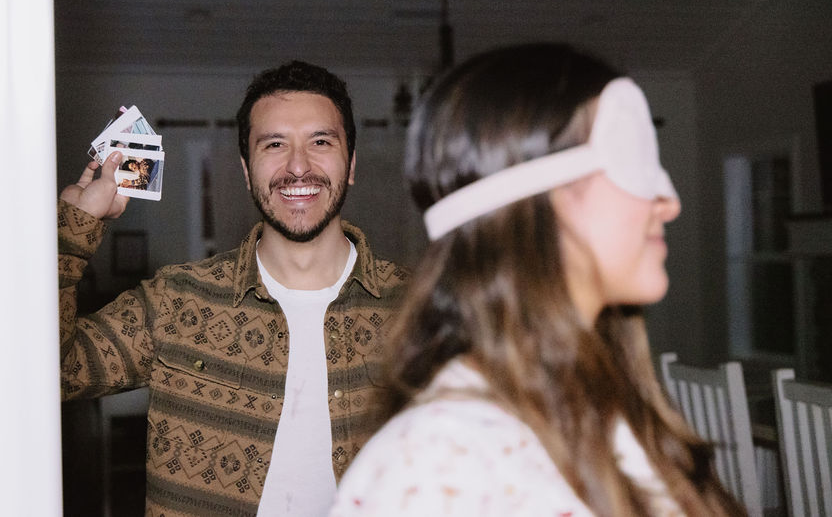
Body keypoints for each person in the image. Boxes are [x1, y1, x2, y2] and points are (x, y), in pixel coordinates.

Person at [329, 44, 744, 516]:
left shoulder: (609, 408)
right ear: (536, 196)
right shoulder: (441, 463)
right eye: (635, 159)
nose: (668, 202)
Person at [58, 60, 409, 517]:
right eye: (275, 144)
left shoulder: (421, 309)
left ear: (352, 164)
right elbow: (48, 372)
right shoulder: (176, 300)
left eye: (320, 142)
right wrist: (74, 230)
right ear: (246, 170)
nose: (298, 166)